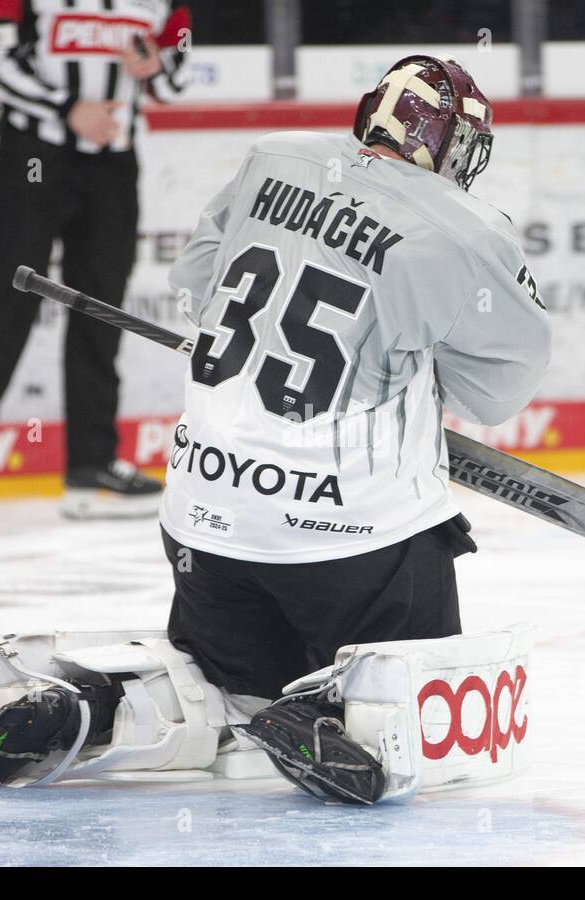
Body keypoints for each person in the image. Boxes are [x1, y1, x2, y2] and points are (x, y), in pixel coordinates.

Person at [160, 55, 553, 705]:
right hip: (353, 546)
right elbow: (496, 395)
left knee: (234, 720)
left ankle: (127, 707)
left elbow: (196, 286)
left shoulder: (273, 156)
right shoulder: (467, 233)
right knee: (401, 731)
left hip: (203, 526)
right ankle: (348, 717)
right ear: (446, 144)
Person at [0, 0, 192, 527]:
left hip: (116, 157)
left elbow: (177, 66)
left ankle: (92, 462)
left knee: (102, 309)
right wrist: (67, 106)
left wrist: (155, 66)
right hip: (35, 153)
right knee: (3, 302)